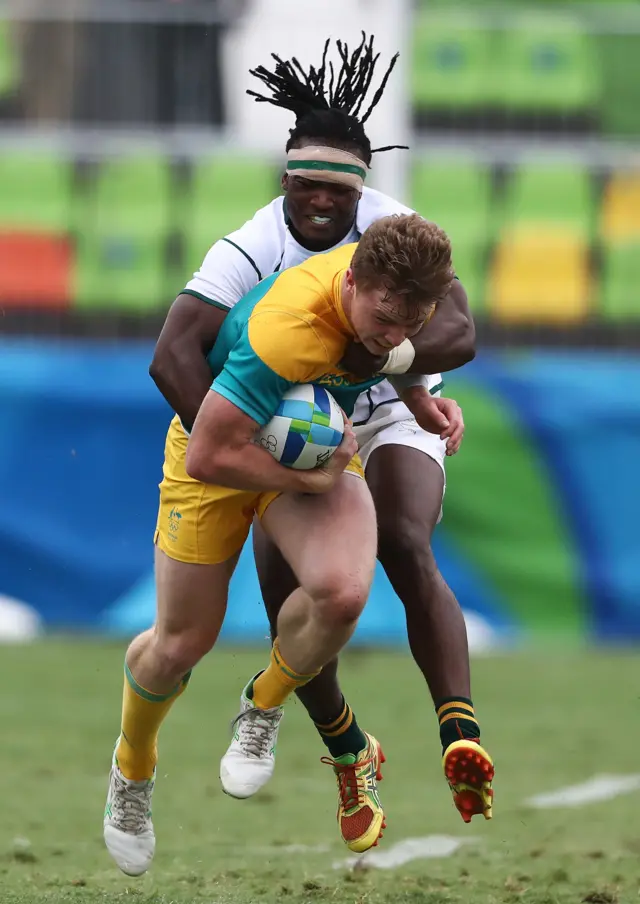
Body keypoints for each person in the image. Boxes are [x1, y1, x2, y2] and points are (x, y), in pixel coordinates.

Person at [150, 34, 492, 838]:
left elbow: (464, 331)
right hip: (293, 418)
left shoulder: (394, 230)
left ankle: (460, 733)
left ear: (359, 193)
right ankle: (348, 751)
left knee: (405, 540)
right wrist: (252, 447)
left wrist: (393, 365)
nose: (321, 205)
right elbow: (172, 354)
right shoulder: (251, 247)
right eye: (306, 187)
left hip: (387, 406)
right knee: (293, 601)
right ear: (286, 182)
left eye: (337, 193)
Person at [103, 214, 455, 875]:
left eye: (411, 321)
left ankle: (261, 704)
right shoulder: (287, 330)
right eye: (384, 317)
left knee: (344, 595)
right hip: (215, 452)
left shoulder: (393, 305)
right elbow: (211, 454)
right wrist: (305, 476)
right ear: (351, 282)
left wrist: (418, 395)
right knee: (179, 645)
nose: (394, 333)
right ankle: (132, 769)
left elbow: (403, 346)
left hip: (308, 445)